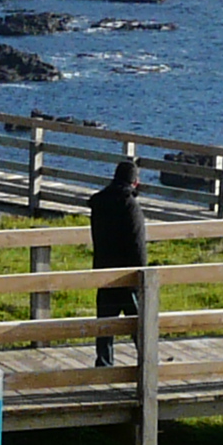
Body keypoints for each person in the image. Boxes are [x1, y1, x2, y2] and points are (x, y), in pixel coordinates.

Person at [92, 155, 148, 366]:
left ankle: (104, 363)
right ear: (135, 182)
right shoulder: (130, 206)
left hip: (104, 269)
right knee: (139, 323)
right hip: (127, 274)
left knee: (105, 322)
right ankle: (148, 359)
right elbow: (138, 243)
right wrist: (140, 273)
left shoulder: (99, 202)